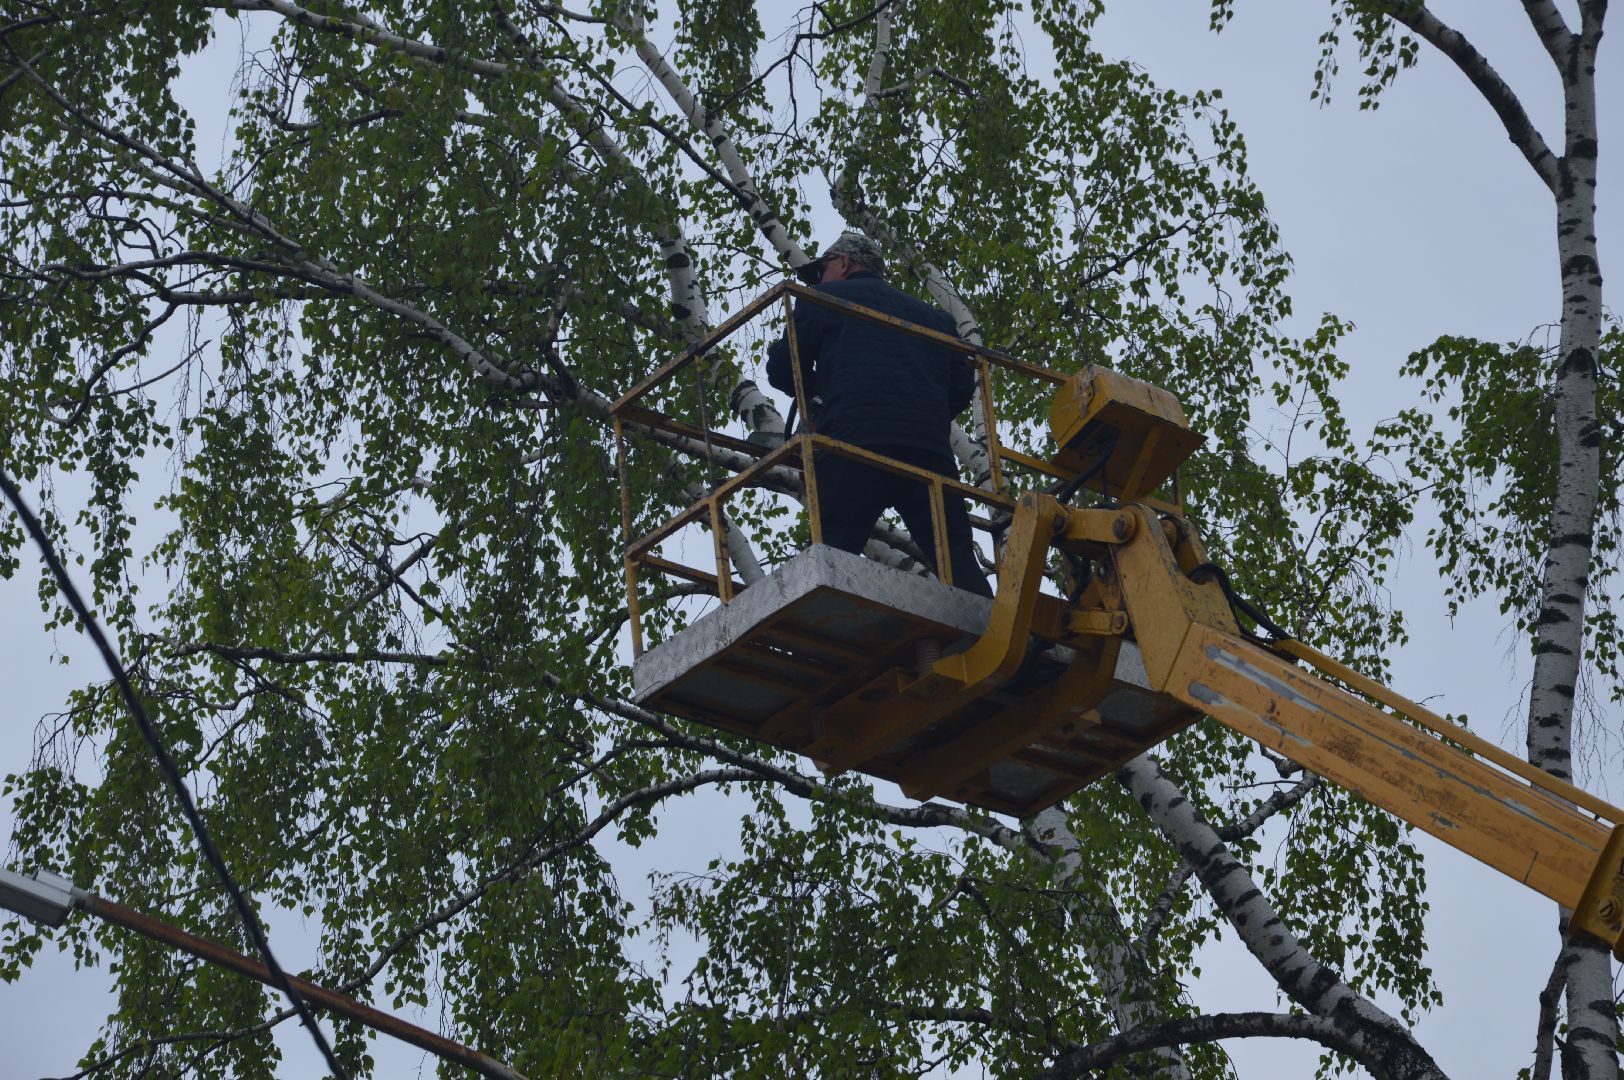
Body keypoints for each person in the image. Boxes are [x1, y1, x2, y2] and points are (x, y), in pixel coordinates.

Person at [766, 233, 993, 597]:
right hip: (928, 456)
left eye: (821, 269)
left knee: (831, 560)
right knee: (959, 565)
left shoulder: (819, 299)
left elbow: (781, 369)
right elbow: (962, 388)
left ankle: (831, 644)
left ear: (843, 262)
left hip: (854, 447)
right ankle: (1008, 647)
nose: (818, 279)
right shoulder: (936, 320)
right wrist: (921, 415)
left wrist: (824, 392)